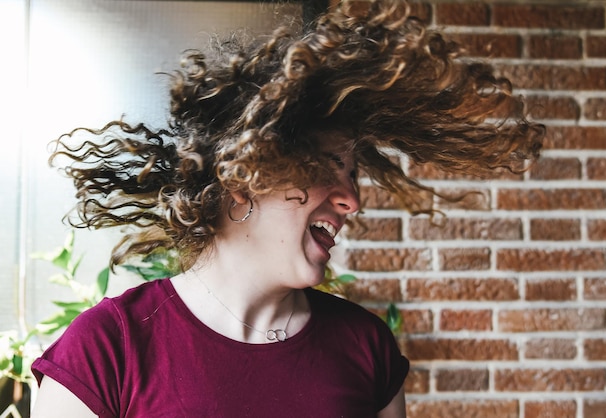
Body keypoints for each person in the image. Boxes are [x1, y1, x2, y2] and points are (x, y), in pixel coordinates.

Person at [31, 0, 543, 417]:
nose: (352, 200)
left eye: (353, 174)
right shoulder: (104, 351)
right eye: (327, 167)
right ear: (242, 178)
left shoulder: (366, 348)